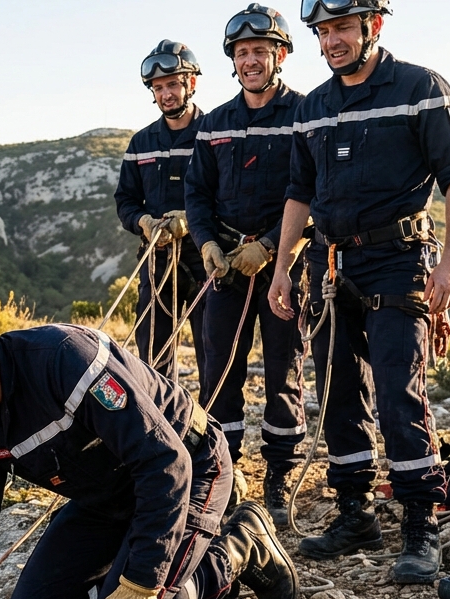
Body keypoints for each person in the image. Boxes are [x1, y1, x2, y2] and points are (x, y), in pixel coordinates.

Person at [0, 282, 298, 599]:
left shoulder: (63, 358)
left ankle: (239, 547)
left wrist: (140, 585)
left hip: (190, 467)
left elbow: (164, 461)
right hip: (109, 495)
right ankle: (164, 560)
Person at [268, 0, 450, 583]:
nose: (332, 41)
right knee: (336, 392)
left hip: (399, 261)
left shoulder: (421, 87)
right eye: (324, 31)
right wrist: (284, 266)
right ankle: (355, 514)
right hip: (330, 265)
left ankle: (420, 523)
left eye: (342, 28)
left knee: (397, 392)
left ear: (373, 27)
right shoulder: (312, 107)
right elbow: (298, 192)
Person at [185, 4, 308, 526]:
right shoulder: (214, 126)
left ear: (280, 54)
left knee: (283, 373)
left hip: (285, 265)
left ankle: (278, 478)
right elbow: (196, 192)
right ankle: (222, 473)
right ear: (232, 62)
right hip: (228, 267)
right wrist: (208, 244)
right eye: (242, 53)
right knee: (218, 376)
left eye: (260, 50)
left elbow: (316, 190)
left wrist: (278, 249)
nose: (251, 60)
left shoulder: (306, 114)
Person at [114, 40, 209, 388]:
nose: (165, 94)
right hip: (157, 259)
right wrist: (143, 222)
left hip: (205, 258)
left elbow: (228, 195)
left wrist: (190, 219)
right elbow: (125, 199)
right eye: (158, 88)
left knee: (211, 350)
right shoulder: (141, 143)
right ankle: (161, 425)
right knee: (153, 354)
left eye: (172, 84)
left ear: (191, 84)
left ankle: (212, 429)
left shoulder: (214, 132)